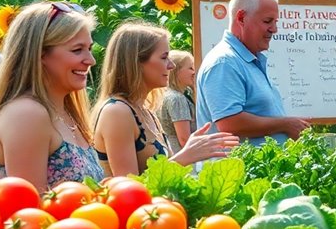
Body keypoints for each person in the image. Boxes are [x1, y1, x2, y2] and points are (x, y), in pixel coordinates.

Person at [0, 2, 104, 191]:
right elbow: (31, 213)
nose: (90, 60)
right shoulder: (27, 114)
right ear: (39, 54)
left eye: (89, 49)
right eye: (77, 50)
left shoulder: (64, 112)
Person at [93, 22, 238, 177]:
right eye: (164, 57)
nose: (171, 65)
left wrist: (189, 149)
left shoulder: (144, 110)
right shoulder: (117, 112)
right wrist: (186, 156)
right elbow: (127, 188)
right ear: (136, 63)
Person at [196, 0, 309, 146]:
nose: (274, 29)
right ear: (241, 18)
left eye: (275, 22)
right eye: (267, 21)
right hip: (234, 170)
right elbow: (229, 123)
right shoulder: (224, 62)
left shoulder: (247, 60)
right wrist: (285, 124)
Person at [157, 49, 197, 152]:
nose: (194, 72)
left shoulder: (164, 94)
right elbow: (185, 140)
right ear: (176, 70)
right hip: (181, 156)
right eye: (191, 68)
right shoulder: (177, 98)